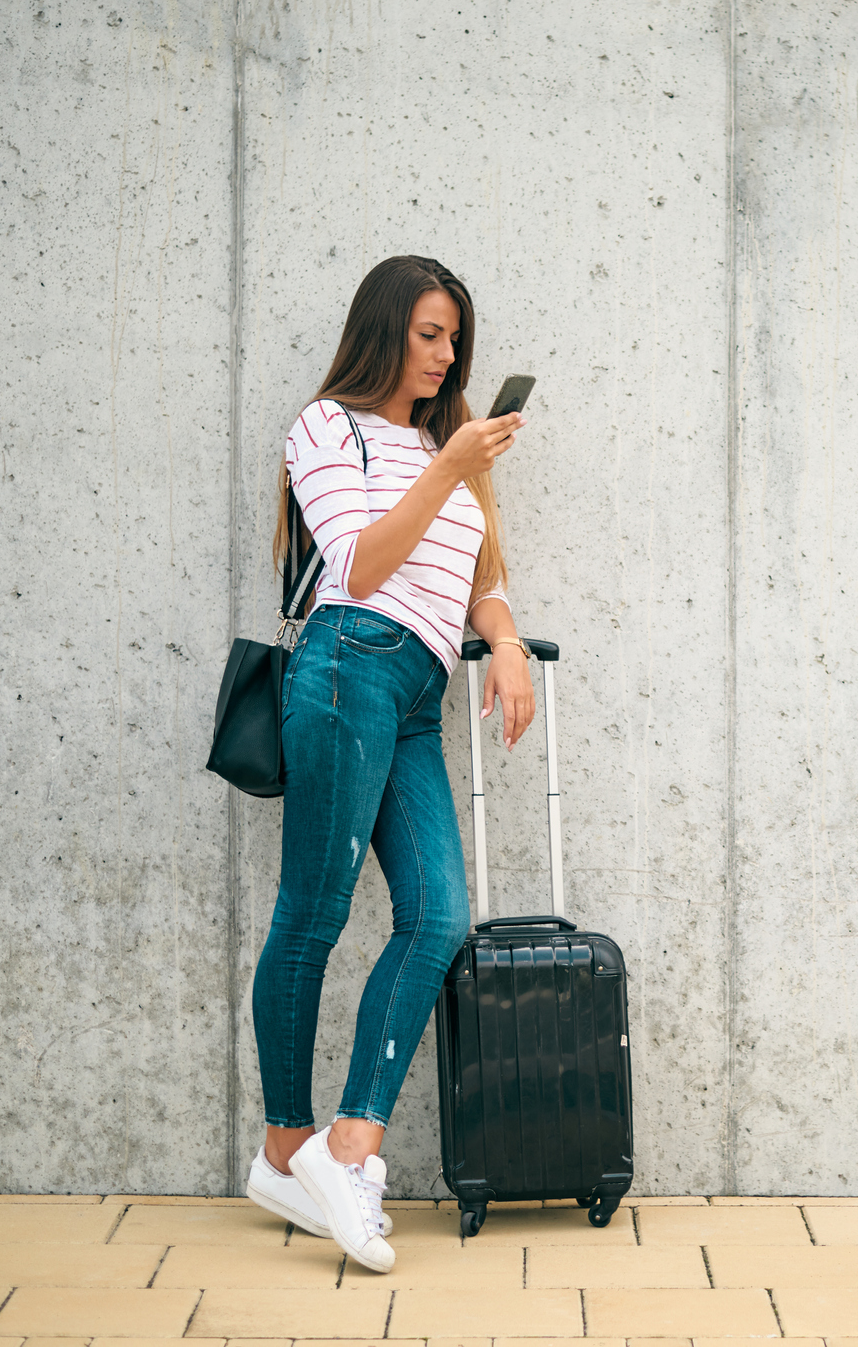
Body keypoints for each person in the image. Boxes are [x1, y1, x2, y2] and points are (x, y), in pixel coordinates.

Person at [243, 255, 530, 1273]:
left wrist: (500, 642)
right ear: (383, 332)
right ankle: (285, 1146)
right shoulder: (327, 427)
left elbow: (477, 578)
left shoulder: (446, 449)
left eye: (455, 336)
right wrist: (448, 463)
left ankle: (351, 1143)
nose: (447, 353)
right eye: (429, 334)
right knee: (312, 912)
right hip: (344, 669)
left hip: (415, 692)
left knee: (437, 917)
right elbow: (360, 563)